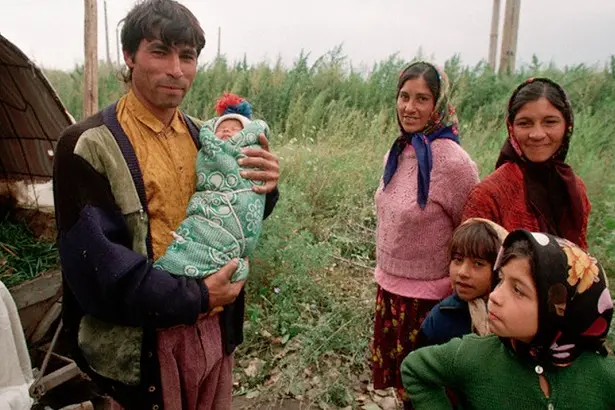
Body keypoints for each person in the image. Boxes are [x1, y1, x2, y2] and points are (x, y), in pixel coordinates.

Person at [52, 1, 280, 409]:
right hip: (140, 348)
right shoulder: (87, 145)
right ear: (129, 56)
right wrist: (197, 296)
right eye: (160, 51)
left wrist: (263, 186)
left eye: (187, 56)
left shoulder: (206, 137)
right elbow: (100, 275)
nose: (177, 69)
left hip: (212, 335)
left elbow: (228, 221)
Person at [401, 229, 615, 409]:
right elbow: (414, 369)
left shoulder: (604, 376)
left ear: (562, 309)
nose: (494, 296)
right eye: (500, 279)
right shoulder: (473, 355)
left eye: (518, 290)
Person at [370, 61, 479, 407]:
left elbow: (472, 232)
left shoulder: (455, 163)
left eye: (422, 98)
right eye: (404, 96)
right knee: (406, 391)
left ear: (439, 104)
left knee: (432, 393)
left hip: (430, 303)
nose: (409, 107)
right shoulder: (398, 151)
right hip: (391, 292)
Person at [462, 78, 591, 249]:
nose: (537, 134)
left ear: (568, 125)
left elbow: (582, 259)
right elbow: (469, 266)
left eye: (550, 122)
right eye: (525, 123)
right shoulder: (489, 195)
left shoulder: (574, 189)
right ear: (511, 128)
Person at [154, 92, 270, 283]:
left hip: (232, 225)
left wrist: (267, 184)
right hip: (198, 229)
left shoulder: (194, 131)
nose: (226, 132)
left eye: (234, 129)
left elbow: (254, 199)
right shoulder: (206, 140)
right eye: (222, 128)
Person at [418, 218, 508, 347]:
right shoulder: (441, 317)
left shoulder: (511, 317)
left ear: (499, 270)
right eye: (458, 260)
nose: (462, 272)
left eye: (478, 263)